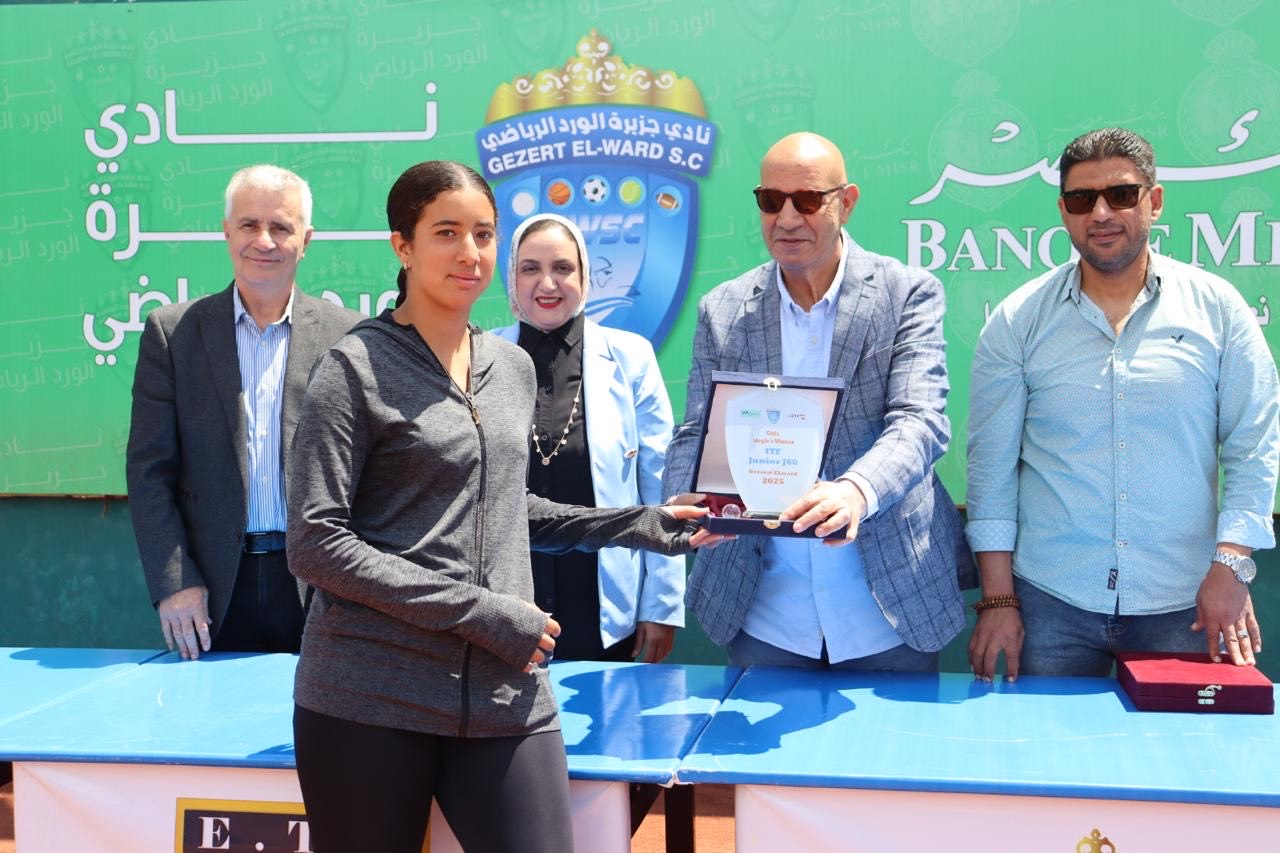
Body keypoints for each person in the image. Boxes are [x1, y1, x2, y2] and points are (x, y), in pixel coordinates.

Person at [285, 161, 716, 853]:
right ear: (402, 245)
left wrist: (643, 524)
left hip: (502, 687)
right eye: (446, 232)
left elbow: (507, 508)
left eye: (483, 234)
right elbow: (316, 543)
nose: (469, 252)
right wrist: (484, 613)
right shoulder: (353, 368)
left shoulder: (508, 367)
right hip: (368, 694)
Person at [966, 127, 1279, 681]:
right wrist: (998, 600)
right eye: (1082, 199)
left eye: (1122, 194)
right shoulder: (1018, 321)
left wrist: (1231, 568)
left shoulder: (1218, 310)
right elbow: (991, 469)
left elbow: (1254, 446)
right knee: (1041, 740)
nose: (1101, 213)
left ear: (1154, 201)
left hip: (1186, 600)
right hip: (1051, 602)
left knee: (1187, 740)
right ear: (1063, 211)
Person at [663, 132, 975, 671]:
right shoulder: (723, 309)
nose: (786, 218)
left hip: (889, 610)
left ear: (845, 203)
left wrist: (855, 491)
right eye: (771, 200)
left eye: (807, 200)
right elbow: (697, 430)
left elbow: (919, 420)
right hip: (764, 614)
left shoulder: (907, 293)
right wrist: (686, 502)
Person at [126, 164, 361, 659]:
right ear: (226, 231)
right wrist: (176, 582)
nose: (264, 241)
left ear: (306, 240)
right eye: (250, 224)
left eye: (281, 227)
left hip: (322, 590)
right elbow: (149, 473)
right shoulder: (173, 334)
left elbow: (370, 475)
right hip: (210, 596)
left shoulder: (350, 336)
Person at [493, 213, 684, 664]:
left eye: (563, 268)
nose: (547, 284)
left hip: (604, 605)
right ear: (512, 278)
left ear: (584, 277)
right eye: (530, 268)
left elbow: (660, 485)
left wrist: (660, 606)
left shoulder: (631, 356)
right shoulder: (484, 355)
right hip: (507, 605)